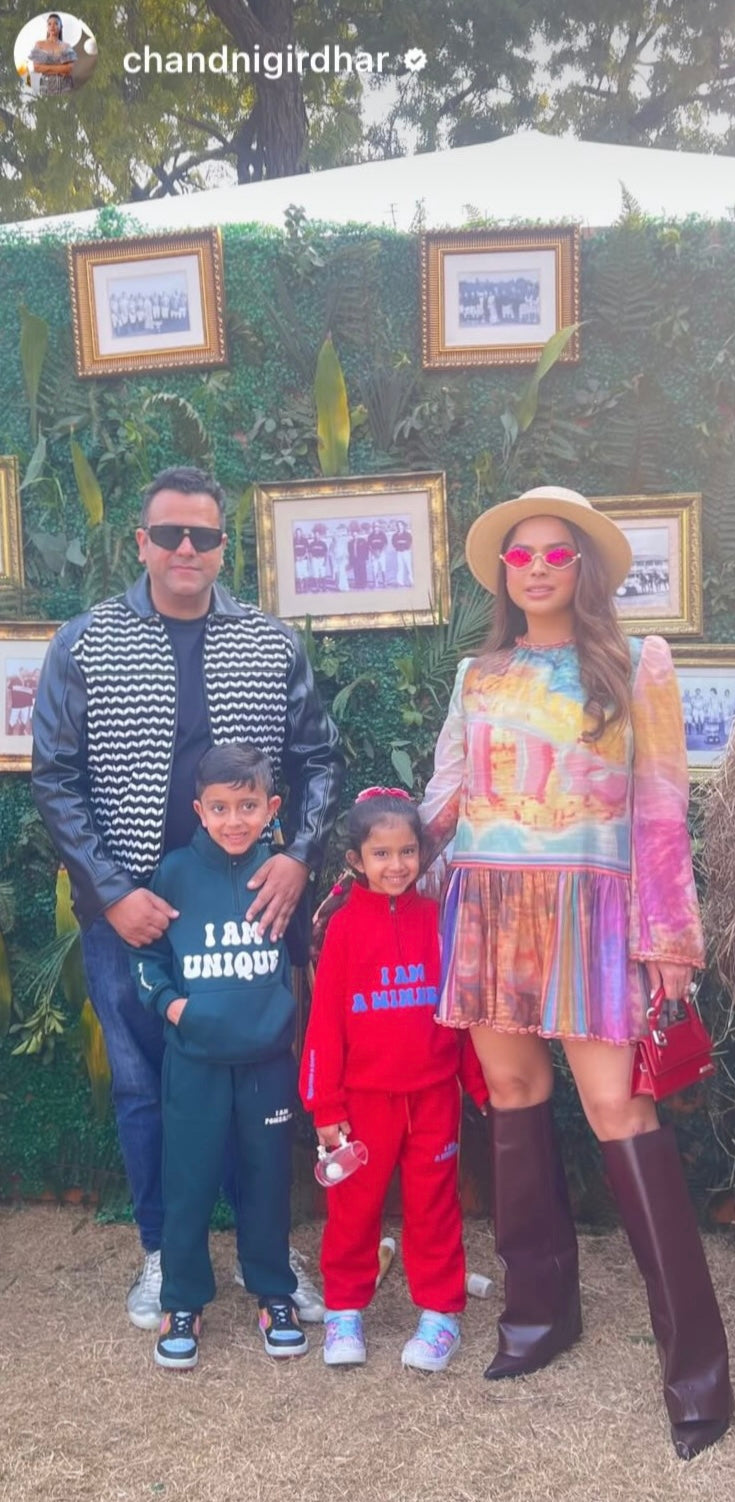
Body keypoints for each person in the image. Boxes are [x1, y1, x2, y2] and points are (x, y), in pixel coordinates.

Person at [414, 487, 731, 1458]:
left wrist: (668, 939)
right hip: (488, 904)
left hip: (594, 915)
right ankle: (538, 1314)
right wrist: (391, 855)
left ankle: (697, 1372)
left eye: (557, 552)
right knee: (511, 1094)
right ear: (503, 574)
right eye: (522, 555)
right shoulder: (477, 674)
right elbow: (447, 792)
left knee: (618, 1111)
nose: (539, 567)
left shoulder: (637, 664)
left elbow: (663, 810)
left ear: (584, 567)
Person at [32, 465, 344, 1333]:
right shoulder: (86, 643)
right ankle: (165, 1254)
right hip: (132, 908)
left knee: (257, 1076)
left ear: (221, 547)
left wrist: (299, 858)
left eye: (201, 535)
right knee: (142, 1084)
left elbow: (318, 759)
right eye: (168, 533)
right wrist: (110, 892)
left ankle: (266, 1256)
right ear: (141, 542)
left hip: (250, 905)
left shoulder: (270, 643)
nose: (184, 548)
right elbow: (56, 777)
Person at [131, 743, 306, 1369]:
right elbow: (147, 960)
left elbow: (305, 956)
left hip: (267, 1062)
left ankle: (274, 1292)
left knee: (267, 1181)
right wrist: (176, 1008)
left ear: (271, 807)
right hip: (195, 1060)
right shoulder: (174, 872)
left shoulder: (282, 874)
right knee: (189, 1182)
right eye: (221, 807)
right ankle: (183, 1301)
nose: (235, 820)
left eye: (248, 806)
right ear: (199, 810)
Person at [300, 789, 488, 1371]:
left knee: (434, 1207)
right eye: (381, 854)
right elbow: (324, 1025)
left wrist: (481, 1085)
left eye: (407, 851)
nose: (397, 865)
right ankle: (343, 1311)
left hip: (433, 1098)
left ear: (421, 853)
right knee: (352, 1211)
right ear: (356, 860)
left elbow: (460, 1012)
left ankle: (440, 1314)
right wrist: (325, 1105)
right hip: (361, 1105)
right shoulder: (342, 929)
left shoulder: (437, 920)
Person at [28, 12, 76, 96]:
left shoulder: (66, 46)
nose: (52, 26)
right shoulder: (39, 44)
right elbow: (36, 67)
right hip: (46, 88)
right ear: (47, 27)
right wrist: (61, 68)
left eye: (56, 23)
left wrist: (46, 68)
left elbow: (69, 69)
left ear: (61, 27)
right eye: (49, 24)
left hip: (66, 87)